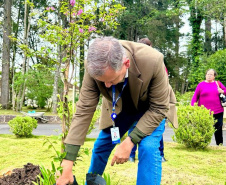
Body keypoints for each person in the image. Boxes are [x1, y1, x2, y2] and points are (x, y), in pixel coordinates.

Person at [56, 36, 177, 185]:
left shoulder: (152, 60)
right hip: (120, 108)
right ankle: (93, 182)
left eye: (111, 80)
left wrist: (130, 140)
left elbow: (159, 107)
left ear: (126, 64)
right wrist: (68, 162)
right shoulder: (93, 66)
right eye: (102, 81)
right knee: (101, 145)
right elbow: (84, 110)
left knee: (148, 148)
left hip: (152, 109)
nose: (106, 86)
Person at [191, 69, 226, 145]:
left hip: (218, 111)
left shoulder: (218, 84)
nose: (209, 76)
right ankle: (203, 144)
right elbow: (195, 97)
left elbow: (225, 90)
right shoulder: (201, 85)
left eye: (211, 74)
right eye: (208, 74)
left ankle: (219, 145)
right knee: (204, 128)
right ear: (205, 75)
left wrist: (223, 91)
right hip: (204, 112)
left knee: (218, 129)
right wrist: (192, 107)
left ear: (214, 76)